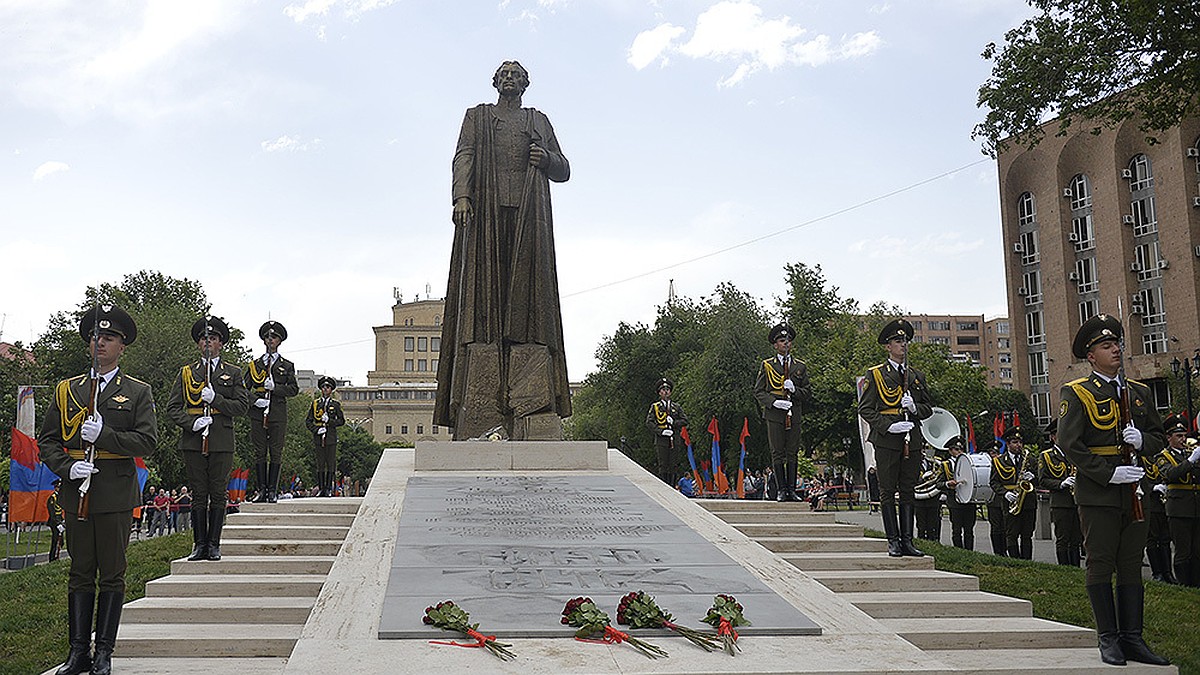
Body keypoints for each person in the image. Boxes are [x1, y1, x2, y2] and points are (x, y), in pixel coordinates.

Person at [435, 60, 572, 441]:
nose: (509, 78)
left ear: (526, 84)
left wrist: (545, 159)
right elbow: (464, 156)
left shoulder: (538, 121)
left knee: (529, 302)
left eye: (517, 74)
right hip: (486, 214)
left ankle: (530, 405)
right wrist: (461, 195)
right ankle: (484, 409)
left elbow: (563, 168)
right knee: (484, 300)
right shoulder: (477, 117)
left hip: (529, 215)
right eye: (504, 73)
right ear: (495, 82)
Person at [37, 304, 156, 675]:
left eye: (108, 338)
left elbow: (146, 442)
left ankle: (104, 652)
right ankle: (78, 653)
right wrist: (69, 467)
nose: (100, 342)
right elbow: (48, 442)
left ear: (122, 346)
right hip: (77, 492)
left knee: (113, 574)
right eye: (95, 337)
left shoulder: (137, 391)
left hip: (115, 495)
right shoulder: (68, 390)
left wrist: (104, 435)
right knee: (80, 571)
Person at [1058, 313, 1169, 666]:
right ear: (1091, 356)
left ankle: (1133, 638)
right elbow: (1070, 444)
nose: (1116, 349)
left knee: (1132, 563)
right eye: (1107, 345)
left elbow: (1158, 437)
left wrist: (1144, 441)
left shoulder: (1138, 392)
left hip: (1135, 490)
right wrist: (1107, 473)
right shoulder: (1077, 392)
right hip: (1100, 493)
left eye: (1117, 343)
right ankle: (1109, 638)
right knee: (1101, 563)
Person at [166, 315, 249, 562]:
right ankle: (198, 544)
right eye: (204, 339)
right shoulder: (186, 373)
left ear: (220, 343)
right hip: (193, 441)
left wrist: (217, 400)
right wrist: (192, 423)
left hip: (221, 439)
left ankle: (214, 544)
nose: (208, 343)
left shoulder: (232, 373)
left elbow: (242, 406)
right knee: (199, 493)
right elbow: (173, 408)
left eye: (212, 339)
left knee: (218, 492)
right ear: (198, 344)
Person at [858, 319, 932, 557]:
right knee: (888, 490)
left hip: (912, 437)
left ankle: (907, 541)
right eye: (898, 341)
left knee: (908, 489)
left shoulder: (916, 376)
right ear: (887, 346)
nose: (903, 345)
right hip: (888, 440)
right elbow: (866, 409)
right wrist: (889, 427)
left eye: (905, 341)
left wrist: (914, 409)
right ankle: (893, 541)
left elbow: (928, 408)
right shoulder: (876, 375)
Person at [753, 323, 812, 502]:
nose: (785, 343)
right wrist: (774, 402)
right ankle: (781, 489)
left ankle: (792, 490)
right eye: (781, 340)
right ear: (775, 345)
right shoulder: (767, 365)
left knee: (792, 451)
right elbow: (758, 391)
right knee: (777, 451)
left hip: (794, 411)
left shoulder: (799, 366)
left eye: (788, 340)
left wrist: (794, 390)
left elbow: (808, 393)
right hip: (775, 413)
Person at [244, 320, 299, 503]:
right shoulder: (255, 365)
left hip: (277, 412)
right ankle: (261, 490)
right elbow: (242, 389)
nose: (270, 340)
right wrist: (255, 400)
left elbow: (293, 389)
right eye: (268, 337)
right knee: (259, 451)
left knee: (276, 451)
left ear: (280, 341)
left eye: (274, 337)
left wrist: (275, 388)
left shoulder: (287, 365)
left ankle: (273, 490)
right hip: (258, 412)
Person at [1152, 413, 1200, 587]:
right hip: (1179, 509)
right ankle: (1184, 584)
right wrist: (1191, 460)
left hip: (1196, 507)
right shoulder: (1163, 457)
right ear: (1168, 437)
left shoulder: (1191, 452)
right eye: (1179, 436)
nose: (1183, 439)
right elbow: (1170, 475)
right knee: (1183, 551)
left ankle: (1196, 585)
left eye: (1185, 435)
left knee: (1197, 551)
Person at [1038, 419, 1082, 566]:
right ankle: (1064, 567)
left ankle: (1075, 568)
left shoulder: (1074, 453)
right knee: (1063, 538)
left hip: (1076, 501)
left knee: (1076, 538)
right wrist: (1061, 484)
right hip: (1060, 502)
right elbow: (1042, 479)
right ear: (1053, 437)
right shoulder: (1047, 456)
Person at [991, 425, 1037, 559]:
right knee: (1011, 534)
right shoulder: (999, 461)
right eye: (1015, 442)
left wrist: (1033, 478)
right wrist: (1005, 493)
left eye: (1020, 442)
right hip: (1010, 502)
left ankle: (1027, 560)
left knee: (1027, 534)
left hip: (1028, 501)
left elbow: (1041, 480)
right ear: (1008, 444)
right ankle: (1015, 560)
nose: (1019, 445)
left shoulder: (1030, 460)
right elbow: (994, 482)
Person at [1140, 438, 1175, 583]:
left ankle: (1167, 572)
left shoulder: (1163, 456)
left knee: (1165, 538)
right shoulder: (1142, 458)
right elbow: (1138, 478)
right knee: (1152, 538)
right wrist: (1152, 487)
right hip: (1149, 502)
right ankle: (1157, 573)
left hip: (1163, 503)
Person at [305, 376, 346, 497]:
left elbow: (341, 421)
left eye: (327, 387)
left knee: (330, 463)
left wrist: (329, 422)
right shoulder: (315, 404)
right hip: (319, 437)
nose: (325, 389)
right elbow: (308, 421)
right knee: (320, 463)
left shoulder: (335, 405)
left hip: (330, 437)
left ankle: (328, 488)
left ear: (331, 389)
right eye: (323, 387)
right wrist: (316, 430)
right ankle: (321, 488)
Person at [645, 377, 688, 485]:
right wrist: (661, 431)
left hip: (674, 438)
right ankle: (664, 485)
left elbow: (685, 420)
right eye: (663, 390)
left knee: (673, 464)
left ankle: (672, 486)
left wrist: (674, 423)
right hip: (661, 440)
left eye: (667, 390)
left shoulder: (676, 407)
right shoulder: (655, 407)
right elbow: (649, 422)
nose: (666, 392)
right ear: (659, 393)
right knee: (663, 463)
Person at [937, 436, 976, 550]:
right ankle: (958, 551)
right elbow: (938, 484)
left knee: (969, 530)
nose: (959, 452)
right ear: (950, 451)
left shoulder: (969, 463)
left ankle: (969, 552)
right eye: (956, 449)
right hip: (954, 501)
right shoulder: (945, 465)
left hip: (969, 500)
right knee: (957, 529)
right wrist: (948, 484)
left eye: (961, 449)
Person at [913, 446, 943, 541]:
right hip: (919, 499)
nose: (922, 453)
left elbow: (940, 477)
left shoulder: (934, 463)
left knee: (933, 524)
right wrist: (923, 479)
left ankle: (933, 541)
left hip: (933, 498)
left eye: (923, 450)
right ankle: (922, 543)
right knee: (921, 525)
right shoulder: (912, 464)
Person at [985, 442, 1008, 556]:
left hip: (1003, 498)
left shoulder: (1001, 463)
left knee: (1005, 527)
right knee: (996, 527)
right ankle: (997, 551)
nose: (995, 455)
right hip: (992, 500)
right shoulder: (985, 465)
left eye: (996, 453)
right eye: (992, 453)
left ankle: (1004, 550)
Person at [47, 479, 64, 561]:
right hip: (54, 522)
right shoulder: (52, 498)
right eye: (59, 487)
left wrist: (62, 521)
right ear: (55, 488)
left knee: (61, 541)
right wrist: (58, 523)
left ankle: (57, 556)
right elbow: (52, 512)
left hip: (60, 521)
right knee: (55, 540)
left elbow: (60, 511)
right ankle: (52, 558)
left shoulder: (59, 497)